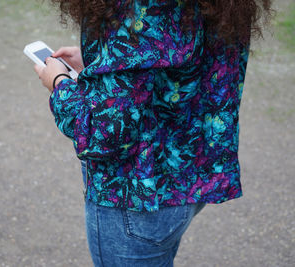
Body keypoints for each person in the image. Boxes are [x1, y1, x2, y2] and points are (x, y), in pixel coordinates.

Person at [34, 0, 272, 266]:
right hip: (183, 180)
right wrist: (108, 62)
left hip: (135, 199)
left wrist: (59, 83)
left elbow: (104, 136)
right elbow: (175, 55)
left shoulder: (142, 7)